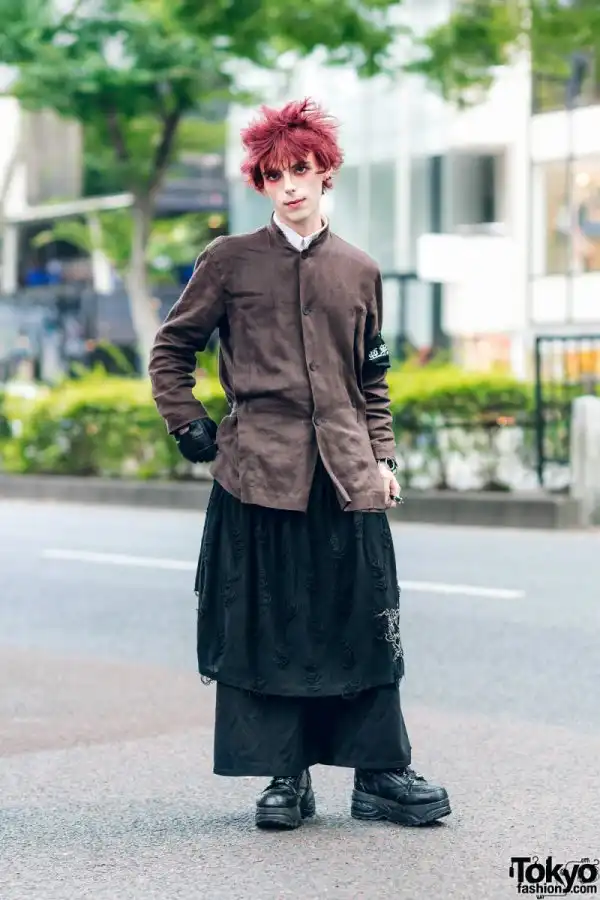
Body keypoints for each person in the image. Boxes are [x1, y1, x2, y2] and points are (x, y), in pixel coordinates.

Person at [148, 98, 451, 831]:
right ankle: (286, 777)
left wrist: (382, 456)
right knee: (273, 626)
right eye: (275, 175)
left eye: (302, 171)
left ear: (326, 174)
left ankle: (381, 775)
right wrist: (188, 422)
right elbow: (172, 348)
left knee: (363, 623)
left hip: (346, 474)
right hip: (259, 472)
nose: (289, 186)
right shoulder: (229, 261)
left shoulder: (360, 269)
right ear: (261, 183)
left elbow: (372, 378)